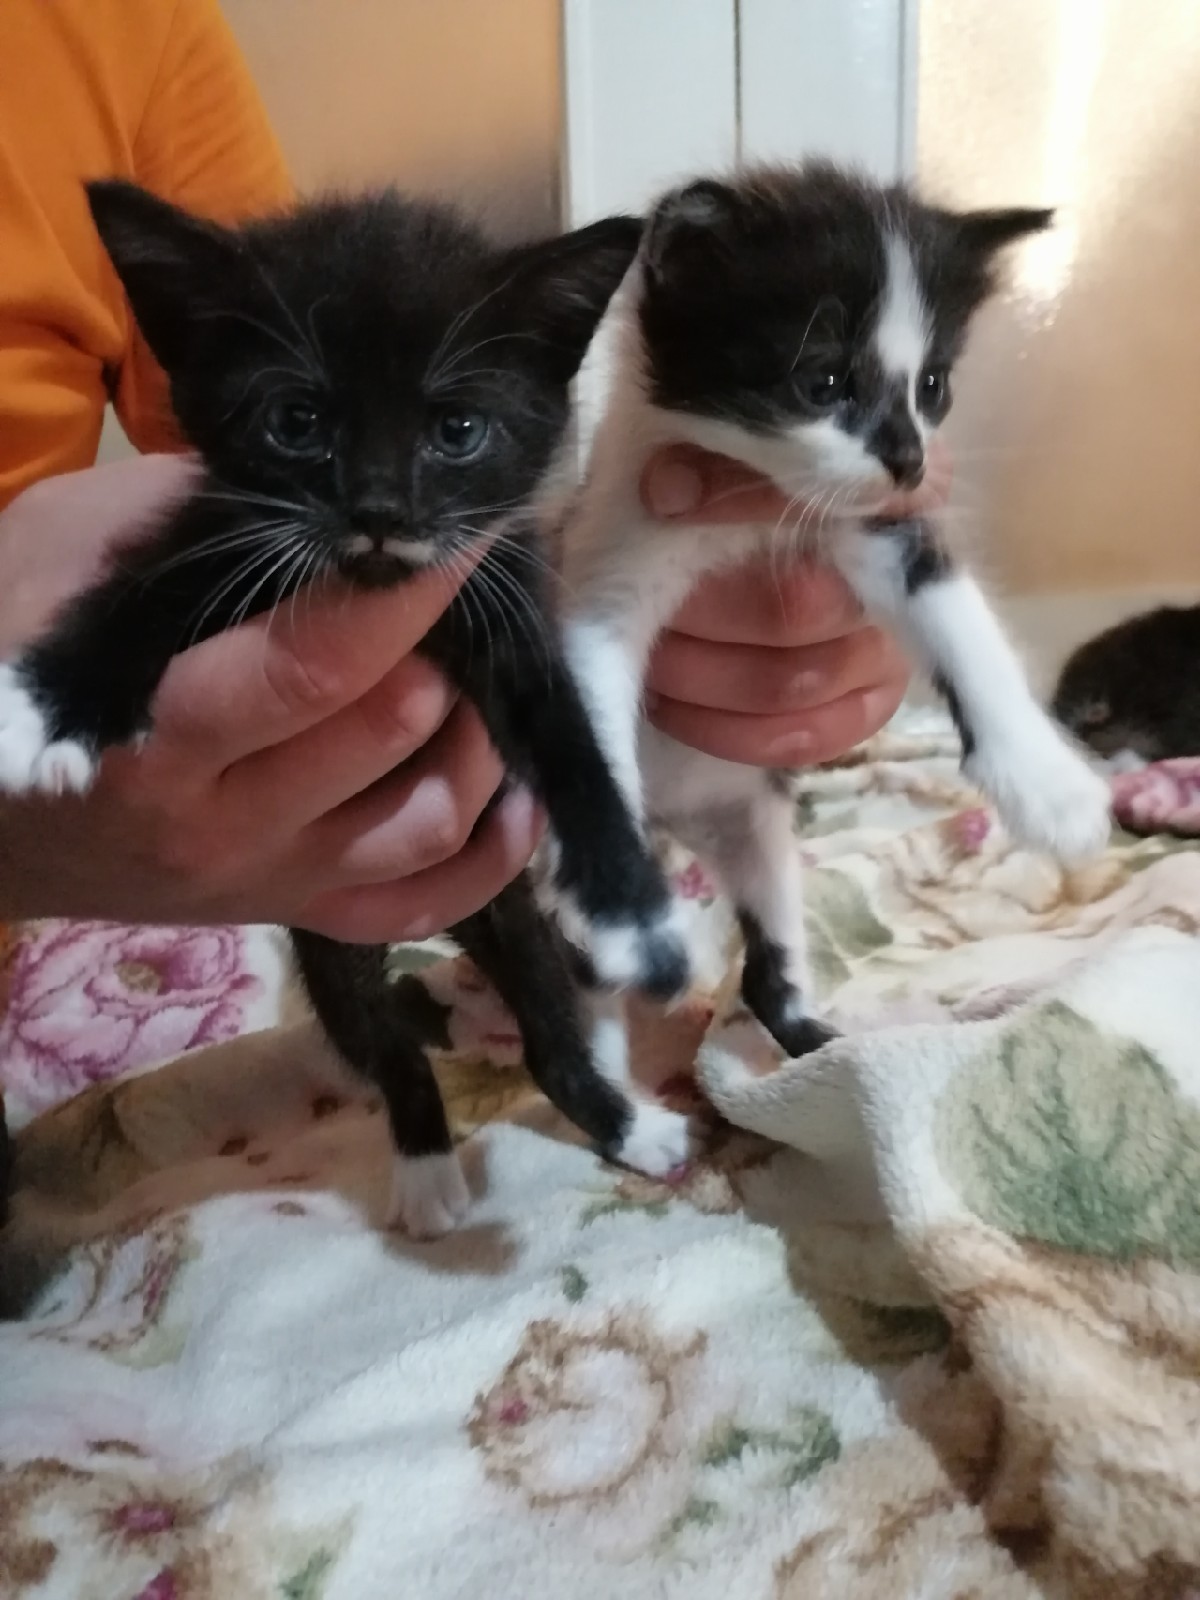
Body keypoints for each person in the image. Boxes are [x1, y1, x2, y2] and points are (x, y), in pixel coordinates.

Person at [0, 0, 934, 941]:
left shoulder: (133, 22)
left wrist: (620, 581)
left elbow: (328, 325)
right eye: (300, 423)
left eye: (451, 429)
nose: (379, 503)